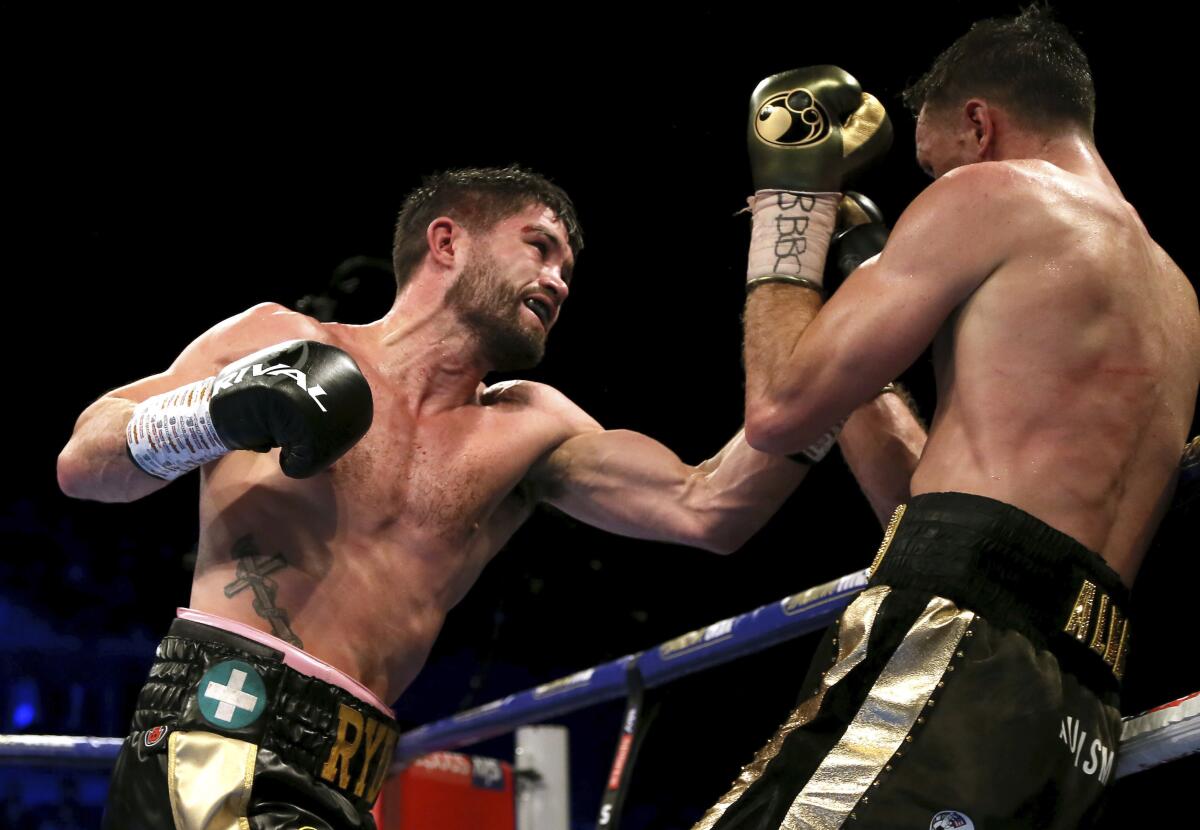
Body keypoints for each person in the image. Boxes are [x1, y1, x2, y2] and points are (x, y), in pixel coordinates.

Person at [57, 165, 926, 829]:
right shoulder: (283, 337)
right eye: (539, 246)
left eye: (569, 268)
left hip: (351, 772)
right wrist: (216, 412)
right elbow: (85, 461)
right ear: (447, 243)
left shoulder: (529, 429)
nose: (558, 279)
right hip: (219, 732)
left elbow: (711, 508)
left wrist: (845, 351)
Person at [693, 8, 1200, 830]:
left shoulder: (993, 193)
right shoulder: (1175, 296)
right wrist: (858, 309)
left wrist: (794, 203)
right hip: (1075, 713)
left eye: (935, 169)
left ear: (978, 123)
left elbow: (778, 407)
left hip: (953, 645)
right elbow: (925, 503)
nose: (938, 190)